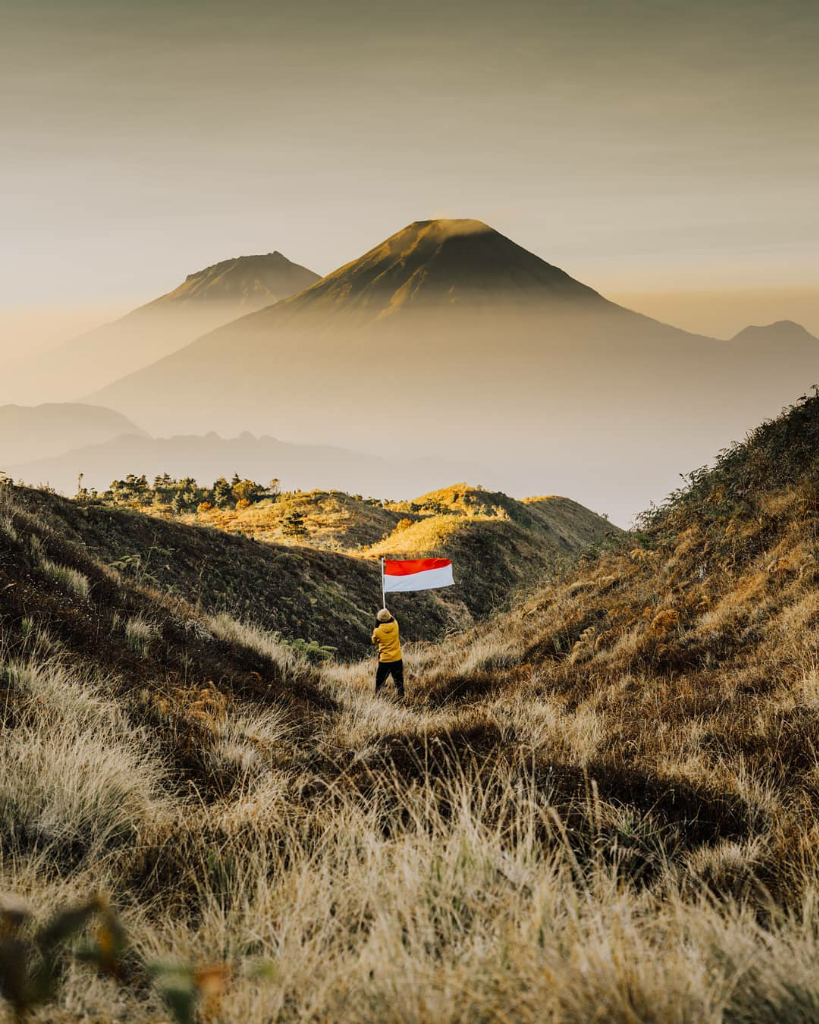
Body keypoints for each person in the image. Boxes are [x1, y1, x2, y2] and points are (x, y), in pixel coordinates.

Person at [371, 607, 405, 698]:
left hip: (385, 660)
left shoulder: (377, 631)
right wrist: (386, 613)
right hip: (396, 658)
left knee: (380, 681)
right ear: (389, 617)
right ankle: (401, 697)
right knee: (399, 681)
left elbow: (374, 641)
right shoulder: (395, 625)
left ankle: (378, 697)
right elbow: (393, 619)